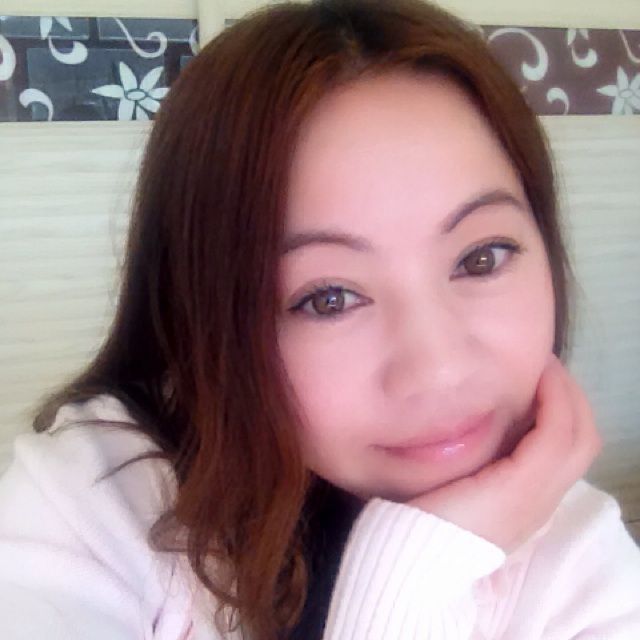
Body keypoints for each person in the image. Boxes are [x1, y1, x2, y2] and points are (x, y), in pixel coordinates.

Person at [0, 0, 639, 638]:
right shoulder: (97, 497)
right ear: (208, 320)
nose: (439, 369)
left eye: (482, 258)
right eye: (328, 297)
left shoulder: (581, 562)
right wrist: (419, 571)